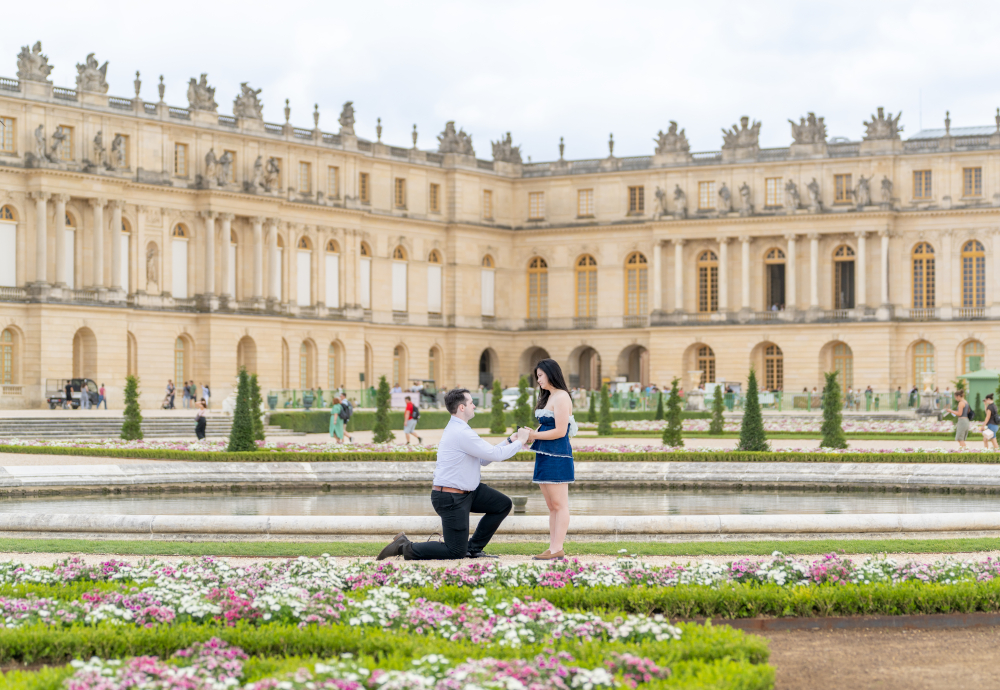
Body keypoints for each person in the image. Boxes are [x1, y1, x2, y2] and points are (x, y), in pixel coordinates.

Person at [377, 388, 530, 561]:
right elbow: (495, 455)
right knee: (454, 551)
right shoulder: (461, 433)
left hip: (468, 492)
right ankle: (405, 546)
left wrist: (511, 441)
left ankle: (472, 548)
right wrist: (522, 441)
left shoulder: (461, 430)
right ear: (462, 408)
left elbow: (484, 459)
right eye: (471, 402)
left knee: (502, 504)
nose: (474, 405)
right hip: (450, 497)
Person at [525, 358, 576, 561]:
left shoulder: (562, 397)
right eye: (537, 377)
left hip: (557, 454)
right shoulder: (548, 397)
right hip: (544, 454)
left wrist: (534, 436)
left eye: (540, 376)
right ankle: (553, 546)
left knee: (559, 503)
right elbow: (546, 427)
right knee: (551, 505)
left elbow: (560, 431)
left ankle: (557, 548)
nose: (538, 380)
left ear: (550, 373)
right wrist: (531, 433)